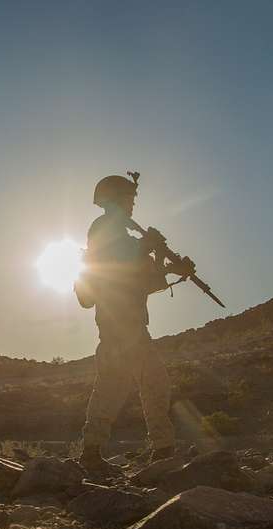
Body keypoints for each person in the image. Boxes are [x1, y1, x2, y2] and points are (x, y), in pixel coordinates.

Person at [74, 174, 179, 471]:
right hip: (122, 326)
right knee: (153, 381)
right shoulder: (104, 229)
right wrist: (146, 246)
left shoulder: (123, 236)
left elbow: (143, 281)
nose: (133, 204)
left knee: (111, 387)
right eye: (129, 198)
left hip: (121, 326)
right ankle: (163, 449)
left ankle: (92, 450)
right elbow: (115, 262)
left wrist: (170, 267)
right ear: (115, 199)